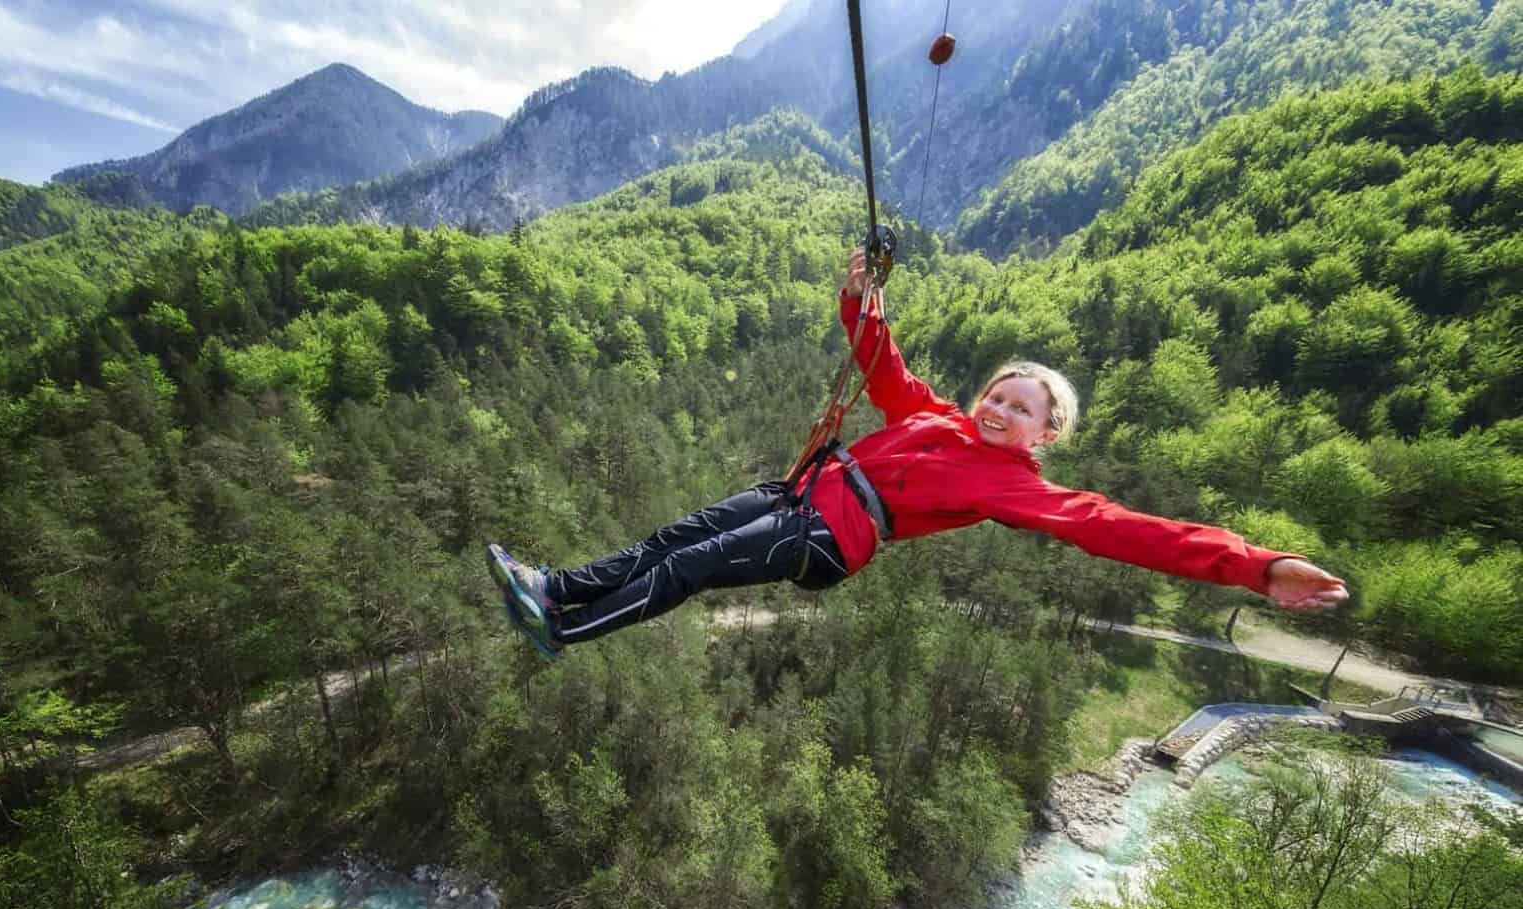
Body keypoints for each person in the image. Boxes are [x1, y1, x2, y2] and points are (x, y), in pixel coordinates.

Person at [487, 247, 1349, 659]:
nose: (1000, 409)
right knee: (674, 539)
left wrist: (1255, 567)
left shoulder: (1017, 486)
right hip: (803, 489)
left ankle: (562, 627)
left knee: (697, 566)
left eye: (1021, 409)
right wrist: (863, 299)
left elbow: (1120, 528)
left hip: (833, 533)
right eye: (998, 395)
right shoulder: (937, 416)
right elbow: (882, 364)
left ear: (1044, 438)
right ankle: (553, 585)